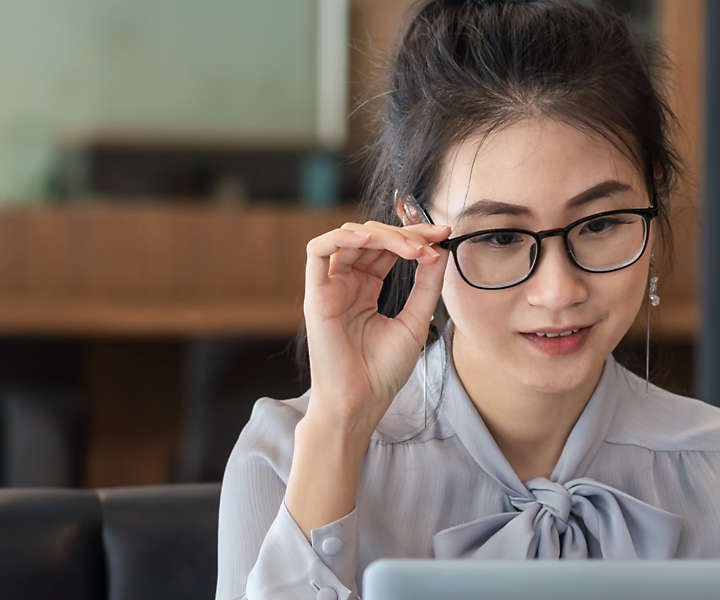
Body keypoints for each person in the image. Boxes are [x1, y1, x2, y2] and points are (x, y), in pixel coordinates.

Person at [215, 1, 720, 598]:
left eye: (600, 224)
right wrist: (342, 427)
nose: (558, 291)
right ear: (414, 225)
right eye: (501, 237)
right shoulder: (284, 458)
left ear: (655, 191)